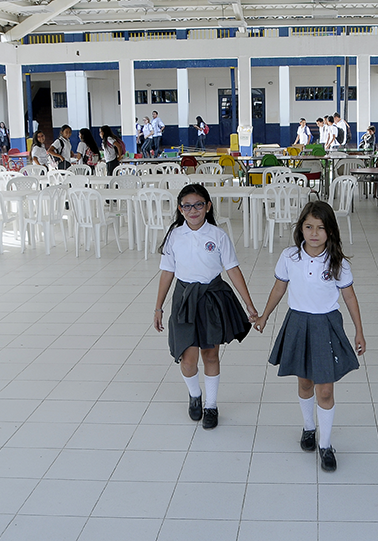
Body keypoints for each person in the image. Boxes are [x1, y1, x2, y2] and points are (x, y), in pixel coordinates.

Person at [252, 201, 365, 473]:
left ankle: (325, 445)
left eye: (321, 228)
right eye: (308, 227)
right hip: (298, 323)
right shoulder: (290, 257)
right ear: (301, 228)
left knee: (325, 389)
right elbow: (279, 289)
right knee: (305, 383)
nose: (314, 233)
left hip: (326, 324)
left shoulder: (337, 262)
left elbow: (349, 296)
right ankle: (308, 428)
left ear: (330, 232)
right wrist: (265, 315)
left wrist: (359, 330)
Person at [153, 184, 259, 430]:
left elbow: (232, 269)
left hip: (211, 298)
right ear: (180, 209)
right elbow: (167, 272)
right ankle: (195, 395)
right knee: (187, 358)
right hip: (184, 299)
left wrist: (249, 303)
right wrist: (158, 307)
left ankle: (211, 405)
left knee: (210, 354)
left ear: (208, 206)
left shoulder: (217, 235)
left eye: (198, 205)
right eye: (187, 206)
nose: (193, 210)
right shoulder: (175, 236)